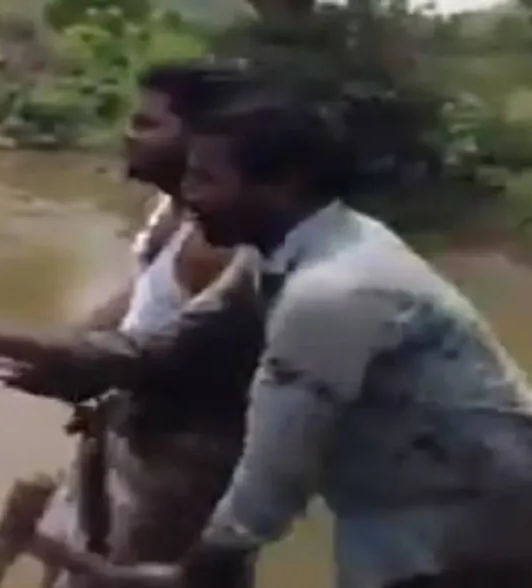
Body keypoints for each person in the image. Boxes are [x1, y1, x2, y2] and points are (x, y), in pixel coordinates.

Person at [93, 96, 532, 588]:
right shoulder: (290, 250)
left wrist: (209, 561)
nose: (188, 195)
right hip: (403, 498)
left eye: (207, 180)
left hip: (465, 517)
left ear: (283, 186)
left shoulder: (331, 292)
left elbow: (277, 464)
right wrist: (36, 350)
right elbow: (184, 338)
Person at [0, 60, 257, 588]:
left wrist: (7, 346)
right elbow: (131, 306)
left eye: (147, 124)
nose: (127, 134)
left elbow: (163, 356)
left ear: (204, 140)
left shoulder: (225, 246)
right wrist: (48, 352)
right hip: (120, 438)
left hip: (175, 473)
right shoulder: (172, 215)